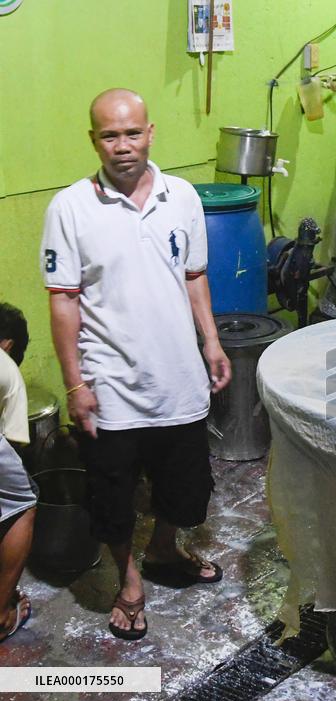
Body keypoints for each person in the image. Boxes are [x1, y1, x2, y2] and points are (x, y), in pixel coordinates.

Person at [40, 88, 232, 641]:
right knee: (113, 496)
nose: (122, 146)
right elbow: (64, 300)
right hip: (111, 382)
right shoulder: (70, 207)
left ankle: (165, 549)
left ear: (150, 132)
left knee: (187, 487)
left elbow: (194, 275)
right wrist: (76, 383)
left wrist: (212, 344)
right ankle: (129, 581)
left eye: (131, 133)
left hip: (178, 376)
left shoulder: (183, 196)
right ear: (93, 139)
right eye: (109, 135)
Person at [0, 303, 36, 643]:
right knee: (23, 504)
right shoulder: (5, 366)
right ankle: (1, 613)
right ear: (8, 344)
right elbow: (14, 442)